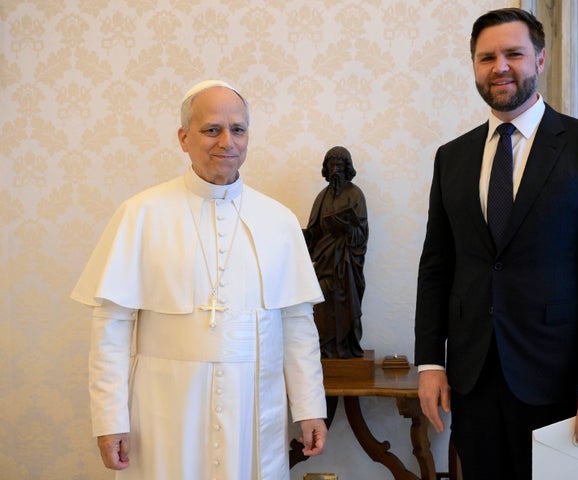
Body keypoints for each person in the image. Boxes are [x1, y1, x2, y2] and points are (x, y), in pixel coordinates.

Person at [413, 8, 578, 479]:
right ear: (474, 66)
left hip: (560, 379)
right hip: (472, 379)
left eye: (513, 54)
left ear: (540, 58)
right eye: (486, 57)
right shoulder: (451, 157)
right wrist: (430, 362)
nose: (500, 67)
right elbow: (436, 267)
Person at [70, 79, 328, 480]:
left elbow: (298, 324)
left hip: (253, 405)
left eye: (238, 129)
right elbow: (112, 326)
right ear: (183, 138)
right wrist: (109, 419)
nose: (227, 141)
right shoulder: (141, 214)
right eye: (212, 129)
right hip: (164, 408)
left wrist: (310, 408)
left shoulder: (278, 220)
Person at [304, 146, 369, 358]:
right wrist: (302, 235)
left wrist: (348, 228)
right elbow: (314, 232)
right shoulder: (321, 197)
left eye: (339, 165)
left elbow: (361, 233)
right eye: (331, 165)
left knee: (345, 304)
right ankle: (326, 348)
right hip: (324, 263)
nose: (335, 170)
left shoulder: (355, 194)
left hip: (347, 264)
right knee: (322, 303)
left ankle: (346, 347)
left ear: (346, 167)